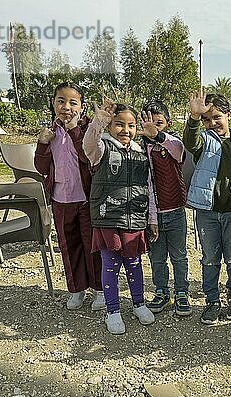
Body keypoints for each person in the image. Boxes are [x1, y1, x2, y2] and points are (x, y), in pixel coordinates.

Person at [83, 100, 156, 334]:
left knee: (134, 264)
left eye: (131, 125)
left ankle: (138, 303)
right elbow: (88, 144)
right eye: (119, 124)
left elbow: (149, 187)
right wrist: (99, 122)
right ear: (110, 126)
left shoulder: (141, 153)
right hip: (108, 219)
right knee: (111, 265)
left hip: (135, 219)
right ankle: (112, 311)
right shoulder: (102, 148)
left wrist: (151, 218)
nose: (126, 130)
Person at [184, 90, 231, 325]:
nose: (212, 123)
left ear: (228, 115)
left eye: (216, 117)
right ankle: (212, 301)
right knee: (210, 259)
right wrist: (194, 118)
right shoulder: (204, 139)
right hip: (207, 212)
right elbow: (190, 142)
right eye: (206, 119)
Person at [34, 82, 103, 311]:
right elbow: (41, 166)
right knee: (69, 245)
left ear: (81, 107)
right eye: (61, 101)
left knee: (91, 245)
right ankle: (77, 289)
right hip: (61, 200)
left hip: (85, 199)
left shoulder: (86, 130)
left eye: (73, 102)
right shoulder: (50, 132)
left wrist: (74, 129)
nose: (66, 107)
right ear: (53, 104)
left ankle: (100, 290)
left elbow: (87, 157)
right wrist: (43, 144)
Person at [141, 100, 191, 316]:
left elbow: (179, 150)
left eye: (159, 123)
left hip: (176, 212)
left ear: (168, 124)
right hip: (152, 216)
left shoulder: (172, 145)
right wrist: (151, 218)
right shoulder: (139, 149)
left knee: (179, 256)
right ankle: (161, 291)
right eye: (148, 123)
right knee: (157, 257)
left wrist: (158, 136)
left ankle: (182, 292)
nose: (153, 127)